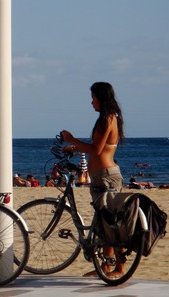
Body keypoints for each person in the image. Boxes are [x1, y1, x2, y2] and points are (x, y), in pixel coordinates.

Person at [60, 82, 125, 278]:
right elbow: (98, 148)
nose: (91, 102)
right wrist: (75, 148)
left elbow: (96, 150)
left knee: (110, 223)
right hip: (103, 175)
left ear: (101, 98)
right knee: (105, 223)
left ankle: (118, 268)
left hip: (106, 177)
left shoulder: (106, 118)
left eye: (93, 98)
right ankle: (105, 267)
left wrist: (71, 139)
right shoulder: (111, 117)